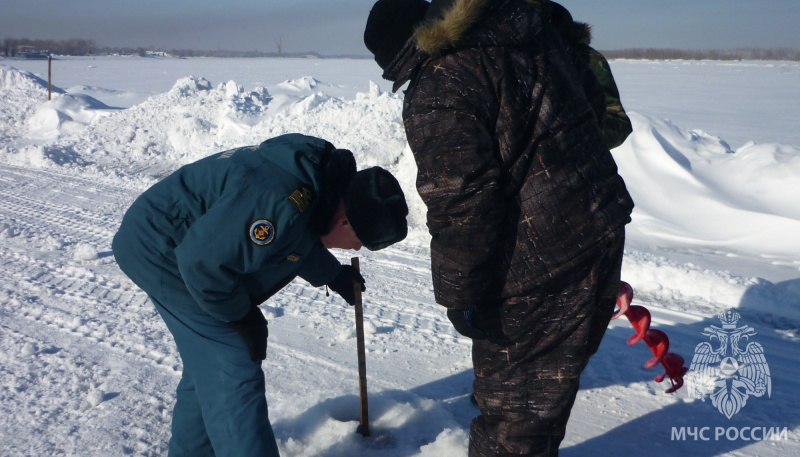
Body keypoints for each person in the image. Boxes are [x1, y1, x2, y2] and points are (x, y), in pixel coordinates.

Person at [364, 0, 634, 455]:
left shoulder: (439, 85)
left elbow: (464, 205)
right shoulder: (523, 33)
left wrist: (460, 294)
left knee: (515, 418)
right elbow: (592, 110)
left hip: (540, 263)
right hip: (600, 225)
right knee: (548, 393)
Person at [112, 133, 408, 456]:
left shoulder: (319, 187)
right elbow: (202, 265)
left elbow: (298, 237)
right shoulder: (280, 200)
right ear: (344, 219)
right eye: (359, 240)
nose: (356, 248)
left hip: (175, 240)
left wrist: (333, 275)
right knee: (234, 365)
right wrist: (242, 316)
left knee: (209, 370)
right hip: (163, 247)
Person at [547, 1, 633, 150]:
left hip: (577, 165)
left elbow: (618, 122)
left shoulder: (587, 60)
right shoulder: (501, 57)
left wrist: (576, 140)